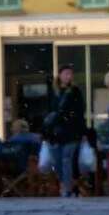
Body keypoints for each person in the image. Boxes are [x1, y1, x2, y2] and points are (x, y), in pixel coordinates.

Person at [44, 64, 87, 197]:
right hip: (55, 133)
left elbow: (80, 112)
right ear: (60, 75)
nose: (68, 76)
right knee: (57, 161)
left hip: (71, 131)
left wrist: (81, 131)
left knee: (66, 159)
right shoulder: (53, 91)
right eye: (66, 73)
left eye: (70, 74)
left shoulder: (75, 91)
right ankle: (66, 184)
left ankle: (66, 189)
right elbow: (49, 110)